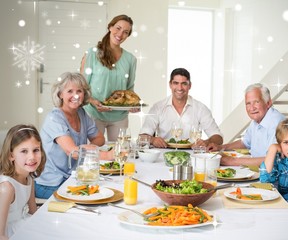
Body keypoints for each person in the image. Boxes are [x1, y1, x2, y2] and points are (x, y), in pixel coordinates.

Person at [35, 72, 112, 199]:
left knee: (105, 192)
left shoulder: (81, 113)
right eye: (69, 91)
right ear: (60, 94)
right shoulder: (54, 118)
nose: (75, 95)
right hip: (50, 183)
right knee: (92, 197)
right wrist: (107, 155)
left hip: (72, 178)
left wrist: (87, 148)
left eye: (79, 91)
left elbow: (100, 139)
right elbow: (72, 152)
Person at [80, 14, 137, 142]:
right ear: (110, 27)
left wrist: (133, 104)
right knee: (94, 154)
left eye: (125, 32)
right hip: (94, 113)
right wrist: (93, 102)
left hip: (120, 116)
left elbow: (129, 88)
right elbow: (82, 86)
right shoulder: (92, 53)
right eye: (118, 28)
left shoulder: (130, 59)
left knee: (119, 154)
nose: (120, 34)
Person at [139, 68, 223, 148]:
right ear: (170, 85)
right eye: (176, 83)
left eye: (184, 83)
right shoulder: (158, 107)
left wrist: (206, 142)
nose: (180, 88)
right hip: (163, 153)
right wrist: (153, 140)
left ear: (190, 85)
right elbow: (141, 137)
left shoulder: (200, 108)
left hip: (192, 154)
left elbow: (218, 138)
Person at [207, 83, 285, 166]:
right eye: (248, 103)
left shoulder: (277, 123)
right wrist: (221, 147)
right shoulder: (257, 119)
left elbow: (273, 159)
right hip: (257, 169)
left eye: (256, 102)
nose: (252, 108)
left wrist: (232, 161)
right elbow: (245, 142)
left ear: (268, 103)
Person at [0, 125, 46, 239]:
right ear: (11, 155)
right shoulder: (7, 188)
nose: (32, 157)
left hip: (21, 225)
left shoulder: (29, 179)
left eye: (36, 150)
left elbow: (32, 212)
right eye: (24, 151)